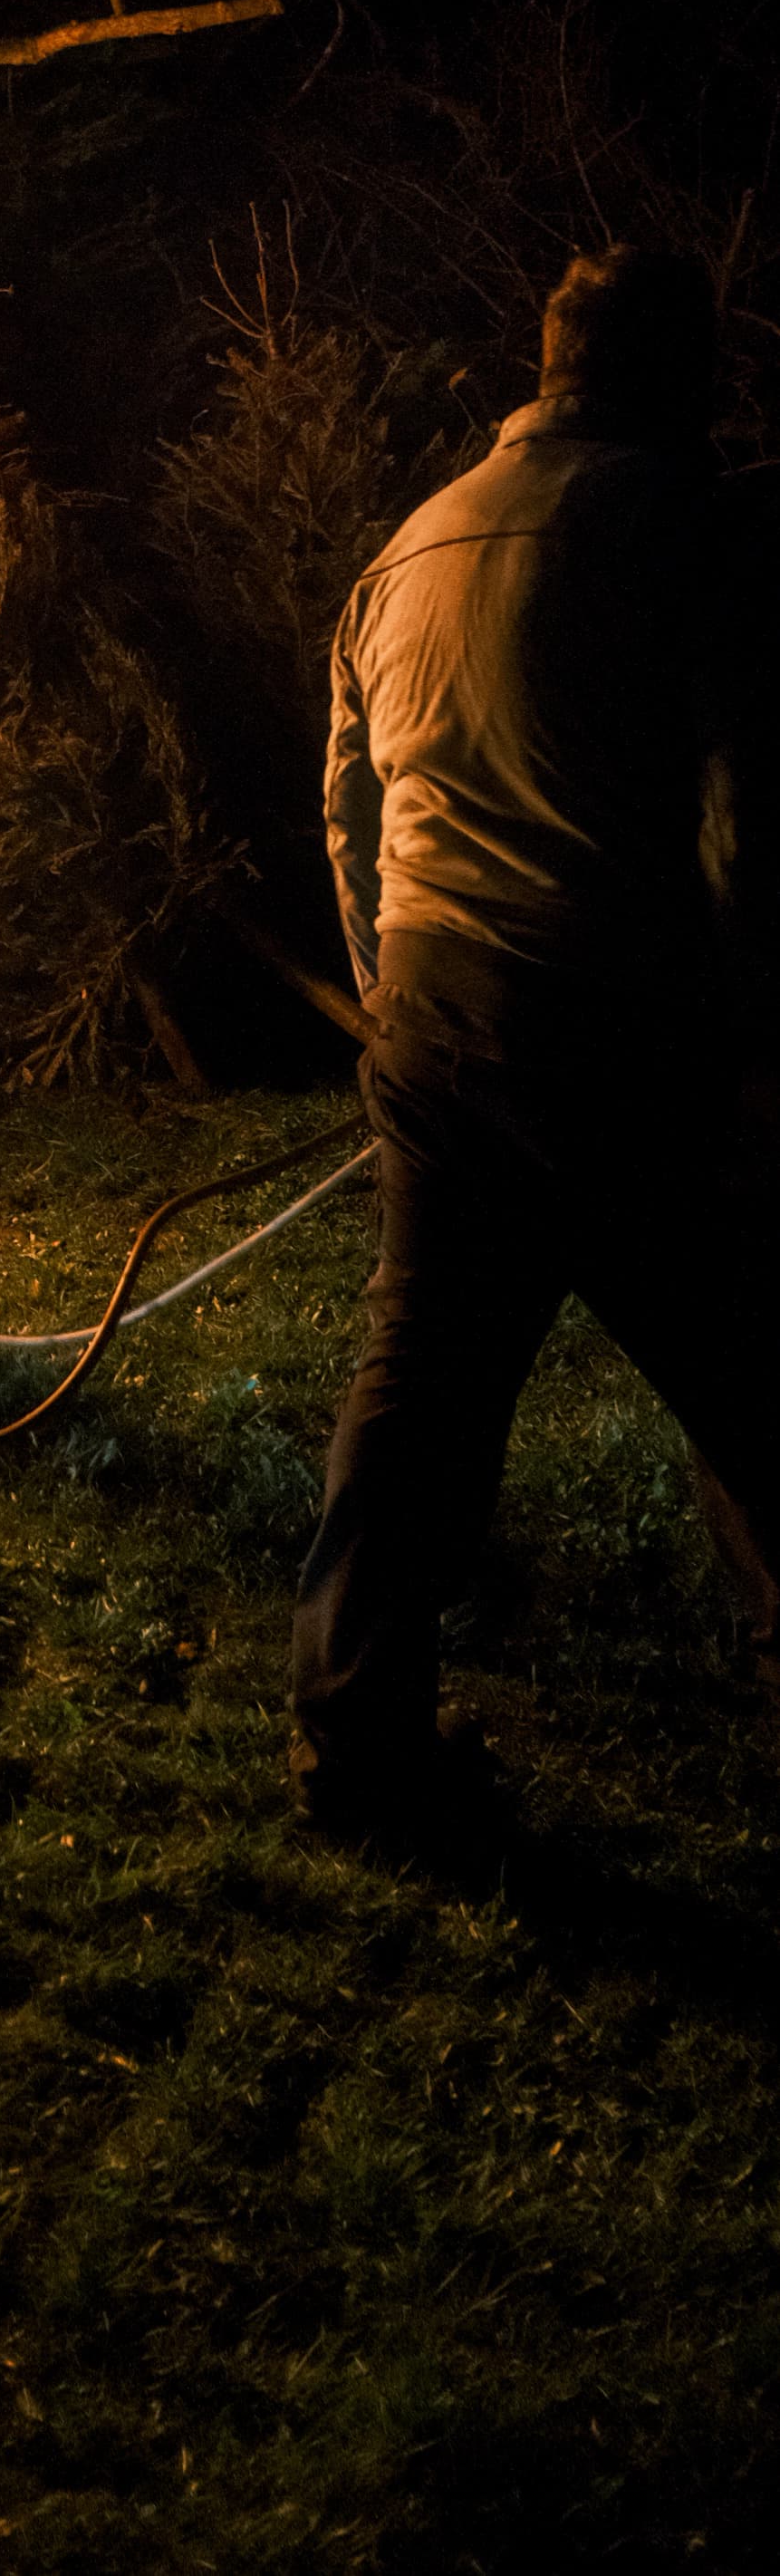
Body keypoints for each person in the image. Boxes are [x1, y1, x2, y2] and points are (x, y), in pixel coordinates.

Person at [294, 244, 780, 1857]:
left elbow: (348, 810)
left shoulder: (410, 541)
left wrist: (392, 995)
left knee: (417, 1379)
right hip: (613, 1015)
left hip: (436, 1011)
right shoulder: (675, 527)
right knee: (745, 1360)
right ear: (670, 372)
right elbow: (733, 813)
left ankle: (355, 1742)